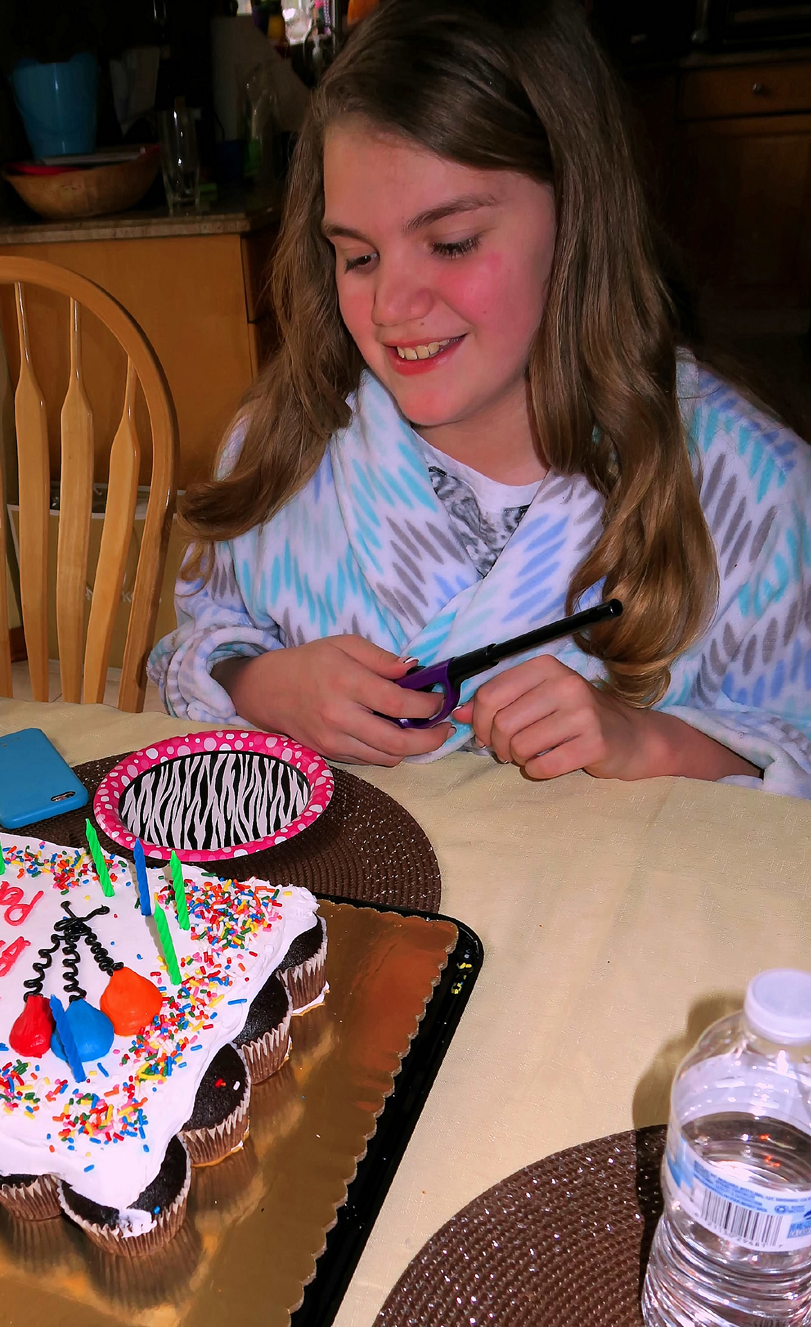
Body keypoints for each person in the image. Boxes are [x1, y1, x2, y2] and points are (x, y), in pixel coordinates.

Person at [150, 0, 811, 796]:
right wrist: (261, 685)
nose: (391, 306)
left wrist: (659, 743)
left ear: (576, 218)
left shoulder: (748, 490)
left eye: (452, 243)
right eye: (358, 256)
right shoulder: (283, 445)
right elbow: (199, 640)